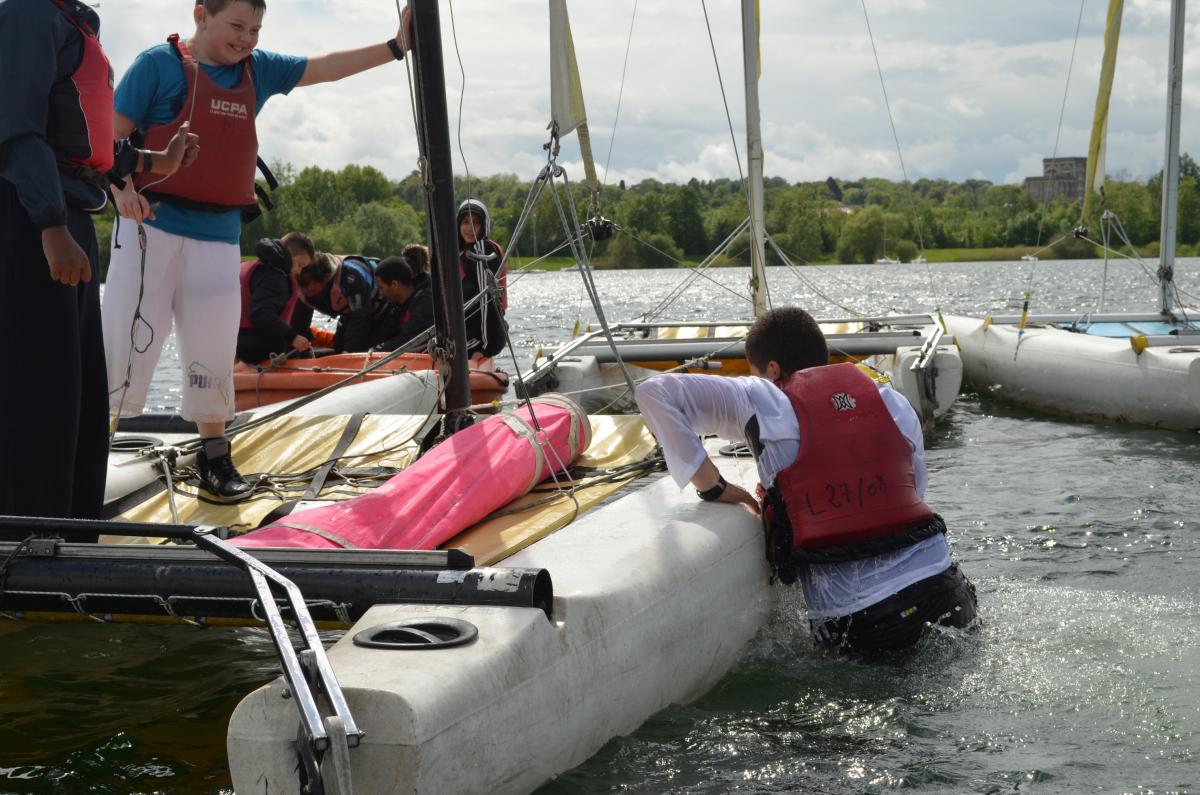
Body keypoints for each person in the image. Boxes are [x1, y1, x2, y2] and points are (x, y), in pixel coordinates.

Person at [102, 0, 413, 499]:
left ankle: (215, 457)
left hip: (218, 237)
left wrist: (396, 47)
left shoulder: (258, 70)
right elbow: (107, 141)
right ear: (201, 14)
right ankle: (91, 454)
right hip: (149, 230)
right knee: (126, 345)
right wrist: (122, 193)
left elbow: (326, 67)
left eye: (255, 29)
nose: (246, 38)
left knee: (212, 349)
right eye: (236, 26)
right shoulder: (157, 66)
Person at [634, 307, 977, 655]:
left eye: (754, 371)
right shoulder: (891, 399)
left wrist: (714, 487)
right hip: (945, 586)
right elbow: (912, 489)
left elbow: (653, 393)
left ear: (772, 369)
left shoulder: (761, 397)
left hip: (863, 618)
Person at [0, 0, 198, 528]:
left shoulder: (74, 22)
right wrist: (50, 225)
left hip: (70, 220)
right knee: (40, 387)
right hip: (30, 221)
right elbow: (17, 130)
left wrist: (161, 161)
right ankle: (30, 532)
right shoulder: (29, 13)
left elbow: (86, 139)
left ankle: (74, 524)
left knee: (81, 389)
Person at [236, 231, 315, 364]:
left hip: (237, 346)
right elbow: (260, 314)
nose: (299, 271)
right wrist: (293, 337)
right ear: (289, 252)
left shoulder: (261, 267)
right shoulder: (275, 278)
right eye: (300, 264)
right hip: (257, 354)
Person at [295, 252, 391, 354]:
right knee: (339, 344)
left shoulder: (351, 277)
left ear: (325, 277)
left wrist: (348, 352)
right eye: (304, 285)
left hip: (380, 308)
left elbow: (360, 319)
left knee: (360, 345)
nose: (308, 290)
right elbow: (300, 324)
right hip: (349, 312)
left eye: (313, 284)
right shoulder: (304, 290)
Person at [456, 199, 507, 359]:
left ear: (484, 226)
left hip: (481, 339)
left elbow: (487, 300)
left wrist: (483, 347)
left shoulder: (480, 250)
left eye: (476, 223)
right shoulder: (464, 252)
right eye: (465, 222)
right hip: (470, 335)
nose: (469, 228)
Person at [370, 255, 435, 352]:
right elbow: (383, 334)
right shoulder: (396, 306)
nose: (380, 293)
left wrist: (376, 350)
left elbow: (408, 341)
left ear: (394, 285)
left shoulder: (425, 303)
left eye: (381, 287)